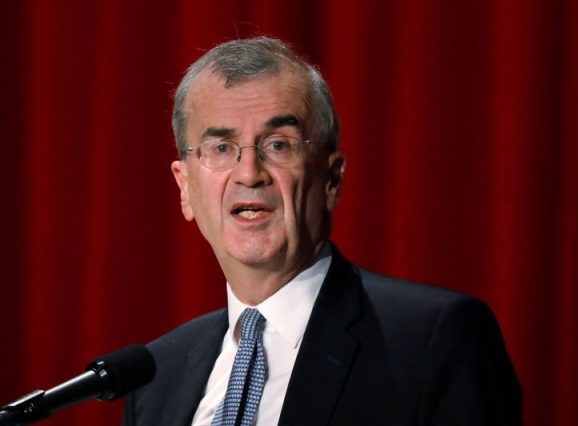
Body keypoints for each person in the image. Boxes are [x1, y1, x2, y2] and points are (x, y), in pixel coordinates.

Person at [122, 37, 522, 426]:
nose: (249, 173)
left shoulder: (431, 341)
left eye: (278, 145)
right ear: (185, 188)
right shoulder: (156, 379)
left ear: (331, 179)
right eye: (222, 148)